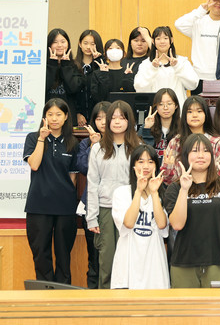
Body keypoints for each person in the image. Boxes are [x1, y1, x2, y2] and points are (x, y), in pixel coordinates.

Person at [164, 134, 220, 288]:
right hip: (184, 263)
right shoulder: (175, 188)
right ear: (186, 156)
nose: (201, 155)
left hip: (217, 262)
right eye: (195, 151)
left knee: (216, 304)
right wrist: (184, 190)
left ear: (212, 156)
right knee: (184, 304)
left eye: (205, 151)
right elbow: (177, 224)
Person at [86, 100, 143, 288]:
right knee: (107, 260)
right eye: (114, 118)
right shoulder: (98, 148)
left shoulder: (138, 147)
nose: (117, 122)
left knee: (130, 259)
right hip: (105, 210)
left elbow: (142, 181)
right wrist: (92, 217)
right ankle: (106, 299)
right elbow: (92, 183)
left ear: (130, 121)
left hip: (131, 210)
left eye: (122, 118)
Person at [23, 98, 80, 284]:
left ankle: (63, 293)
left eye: (58, 114)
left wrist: (69, 198)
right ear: (44, 117)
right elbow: (34, 165)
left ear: (66, 117)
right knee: (41, 254)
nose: (54, 119)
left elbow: (73, 177)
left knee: (64, 255)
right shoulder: (33, 138)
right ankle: (43, 292)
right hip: (38, 204)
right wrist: (42, 138)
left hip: (65, 207)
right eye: (50, 114)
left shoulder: (72, 142)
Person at [110, 144, 169, 289]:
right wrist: (138, 191)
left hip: (154, 264)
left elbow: (162, 224)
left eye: (150, 161)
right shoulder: (121, 192)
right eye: (141, 161)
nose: (146, 166)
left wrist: (154, 193)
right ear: (133, 166)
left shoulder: (161, 194)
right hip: (128, 265)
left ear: (156, 166)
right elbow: (128, 223)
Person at [75, 101, 110, 288]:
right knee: (94, 258)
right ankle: (93, 293)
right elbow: (83, 167)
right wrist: (94, 146)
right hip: (92, 206)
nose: (103, 122)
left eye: (106, 117)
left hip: (114, 206)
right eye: (98, 118)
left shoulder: (122, 141)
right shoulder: (86, 143)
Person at [159, 95, 220, 184]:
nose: (195, 115)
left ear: (206, 114)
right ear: (184, 116)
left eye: (199, 111)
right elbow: (168, 181)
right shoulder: (176, 142)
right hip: (181, 189)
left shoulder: (217, 142)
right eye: (190, 112)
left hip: (211, 190)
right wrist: (168, 169)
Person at [174, 0, 220, 94]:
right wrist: (201, 10)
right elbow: (179, 24)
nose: (218, 3)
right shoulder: (198, 21)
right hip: (198, 78)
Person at [133, 26, 199, 106]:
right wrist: (152, 68)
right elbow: (139, 88)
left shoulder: (182, 61)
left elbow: (193, 85)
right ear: (153, 41)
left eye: (165, 38)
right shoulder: (146, 64)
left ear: (171, 40)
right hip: (156, 108)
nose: (162, 41)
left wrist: (177, 66)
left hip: (178, 108)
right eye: (158, 39)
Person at [45, 29, 85, 124]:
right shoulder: (42, 65)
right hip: (47, 114)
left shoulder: (75, 65)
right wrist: (52, 64)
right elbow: (44, 87)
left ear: (68, 44)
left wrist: (66, 65)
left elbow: (73, 88)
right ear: (49, 45)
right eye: (55, 42)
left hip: (69, 115)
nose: (59, 45)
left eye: (63, 42)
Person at [140, 87, 181, 159]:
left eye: (169, 103)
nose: (165, 108)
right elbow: (141, 153)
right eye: (161, 104)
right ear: (156, 107)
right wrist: (147, 129)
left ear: (176, 106)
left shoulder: (183, 128)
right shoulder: (146, 126)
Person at [74, 29, 104, 125]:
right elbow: (71, 93)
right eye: (85, 43)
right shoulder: (72, 66)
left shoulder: (103, 66)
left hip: (99, 117)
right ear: (80, 44)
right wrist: (77, 113)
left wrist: (99, 61)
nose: (88, 47)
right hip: (77, 119)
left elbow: (104, 92)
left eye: (92, 44)